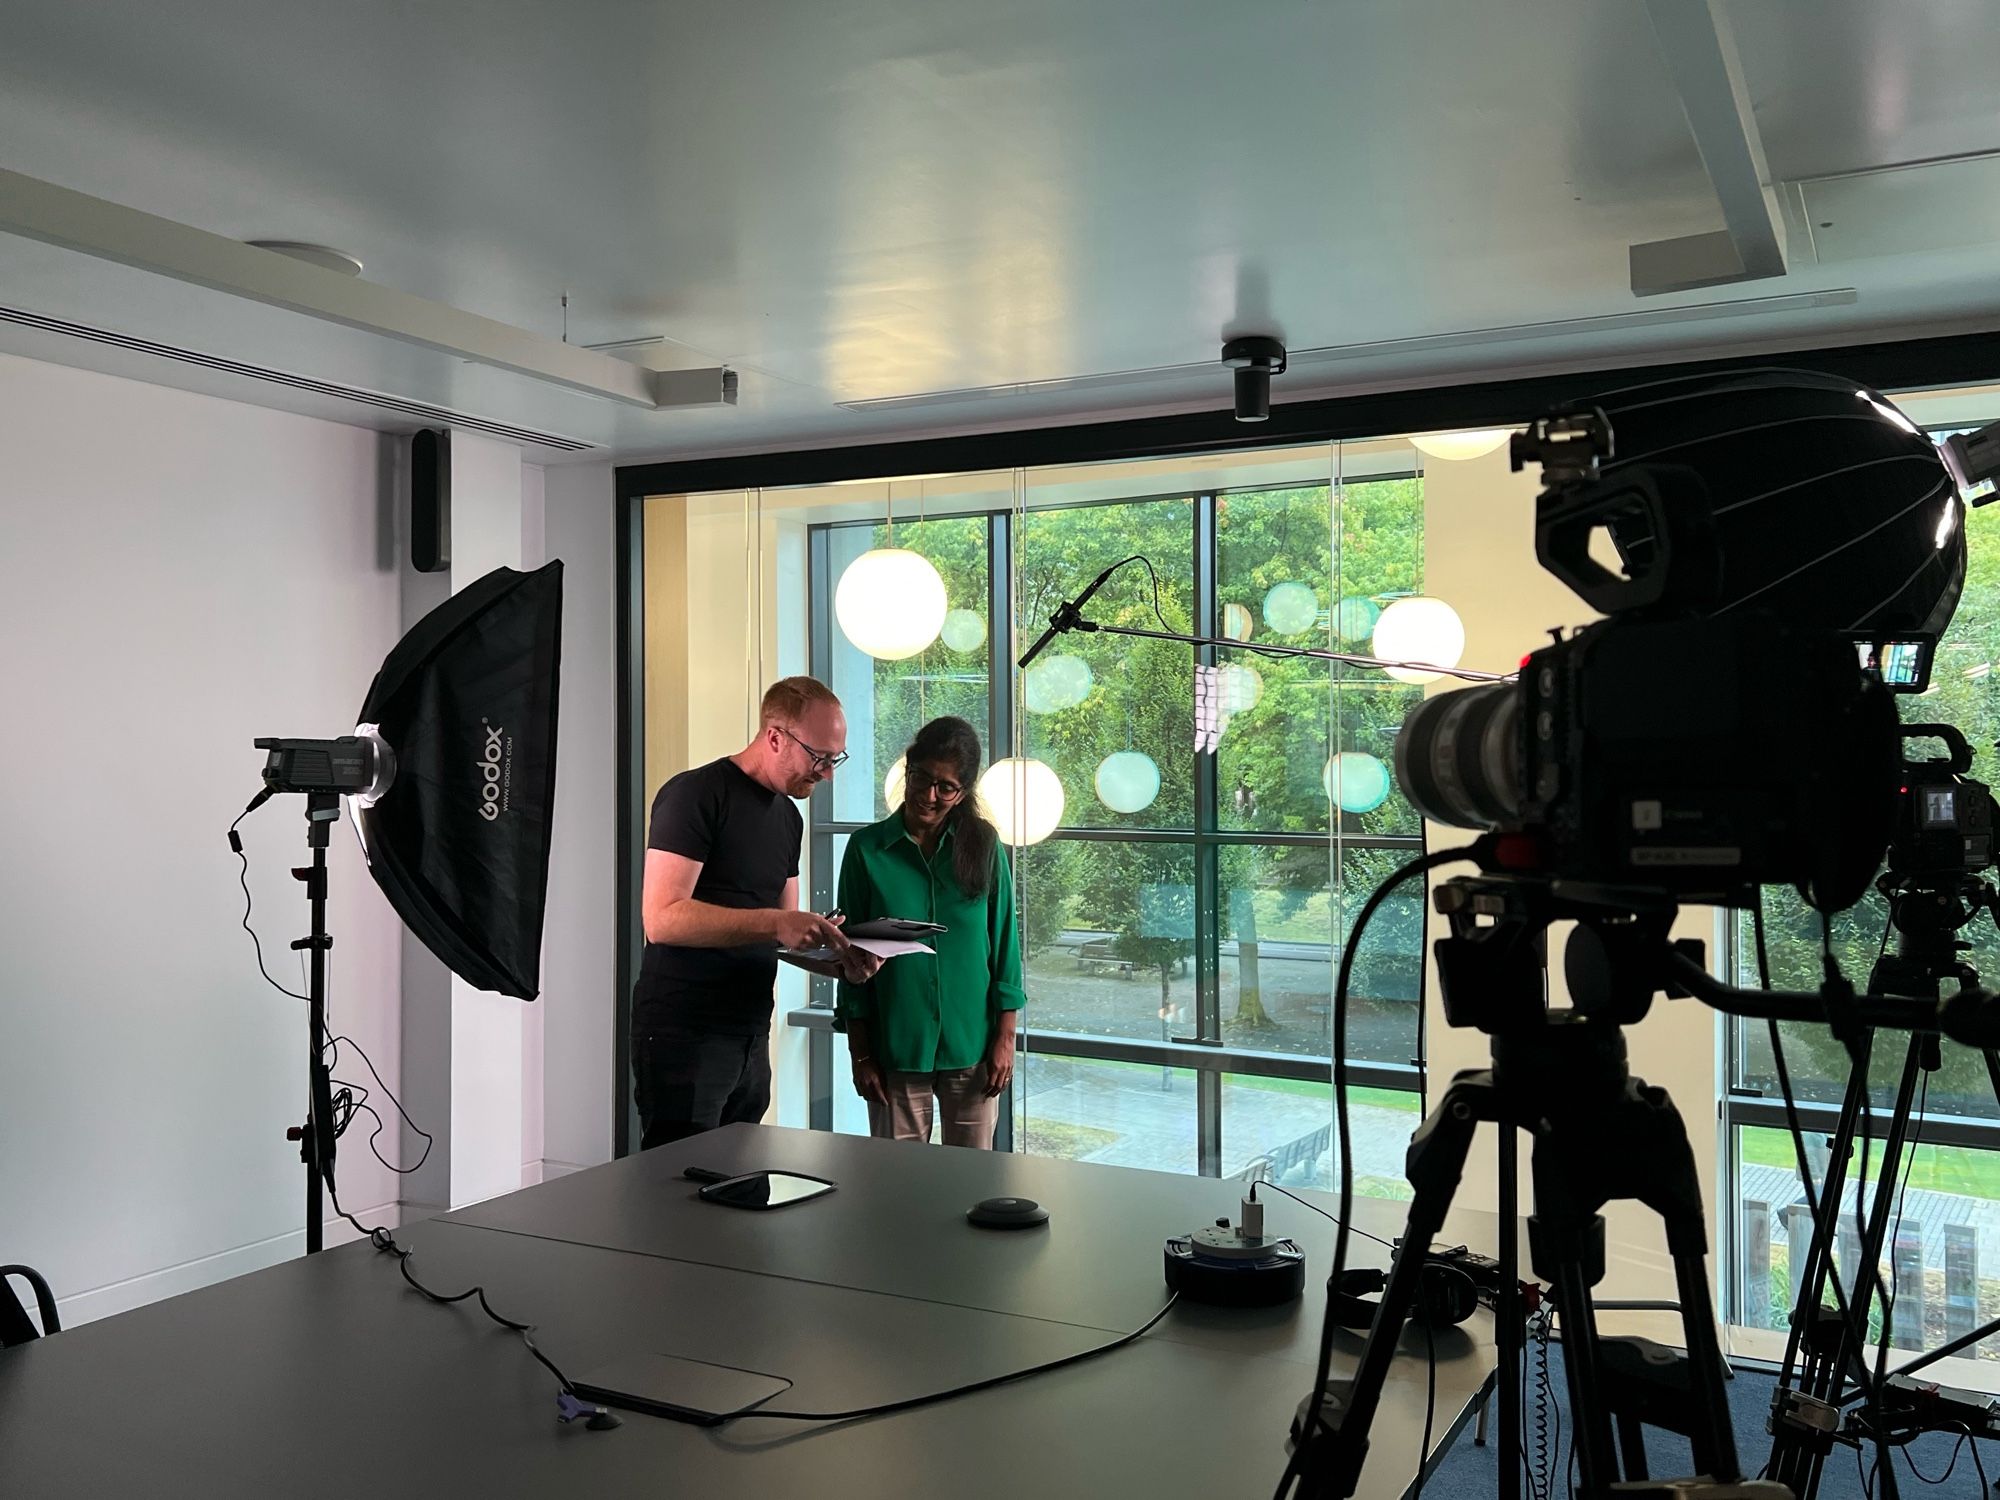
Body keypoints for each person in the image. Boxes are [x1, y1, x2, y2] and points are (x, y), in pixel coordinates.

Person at [632, 676, 879, 1148]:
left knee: (741, 1188)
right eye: (820, 758)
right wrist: (776, 922)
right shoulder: (695, 795)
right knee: (677, 1196)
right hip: (683, 1031)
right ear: (774, 737)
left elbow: (783, 937)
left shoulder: (789, 818)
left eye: (835, 759)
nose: (828, 773)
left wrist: (840, 959)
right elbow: (661, 918)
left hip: (749, 1032)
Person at [836, 716, 1025, 1148]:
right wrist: (860, 1052)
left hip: (972, 1047)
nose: (929, 794)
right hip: (894, 1049)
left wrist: (1005, 1038)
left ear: (963, 792)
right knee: (900, 1191)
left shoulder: (985, 846)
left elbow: (1005, 948)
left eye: (946, 787)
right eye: (920, 777)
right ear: (908, 769)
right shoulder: (866, 851)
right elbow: (848, 957)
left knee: (972, 1188)